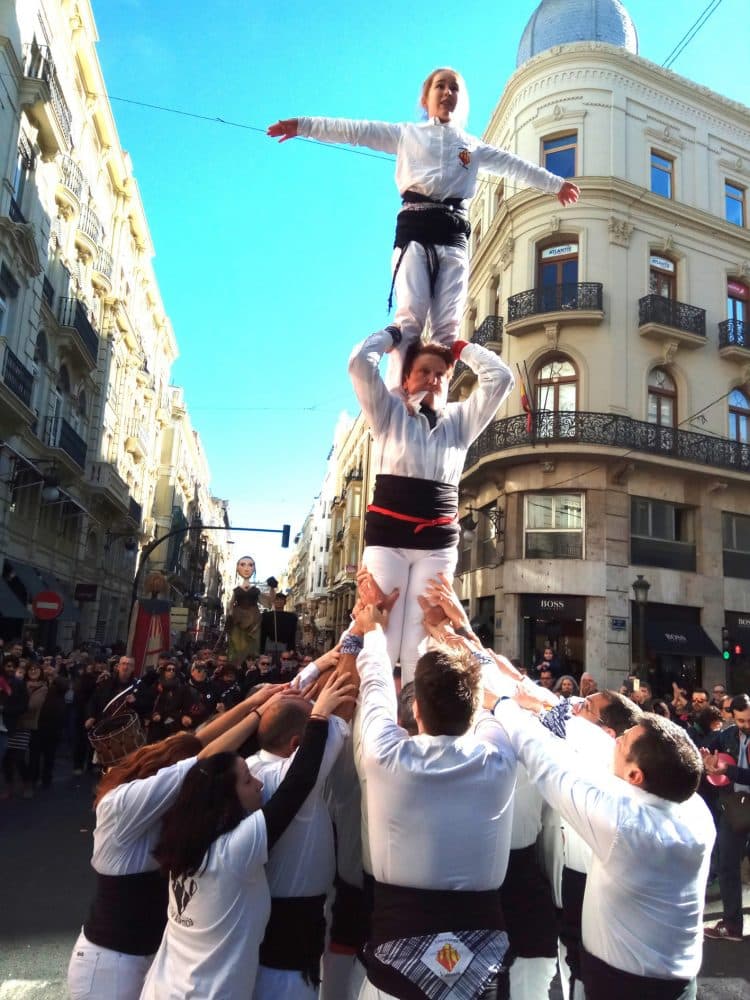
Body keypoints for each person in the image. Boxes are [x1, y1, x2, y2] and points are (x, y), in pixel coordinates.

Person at [268, 68, 579, 387]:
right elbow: (355, 131)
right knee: (411, 318)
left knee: (446, 329)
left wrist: (555, 184)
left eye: (454, 88)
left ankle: (433, 407)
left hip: (454, 235)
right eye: (440, 86)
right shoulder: (406, 134)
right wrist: (303, 126)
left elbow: (515, 165)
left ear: (461, 99)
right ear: (426, 98)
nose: (447, 93)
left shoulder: (472, 147)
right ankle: (398, 402)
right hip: (415, 230)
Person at [489, 663, 715, 999]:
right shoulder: (693, 809)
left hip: (622, 987)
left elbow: (546, 760)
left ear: (636, 775)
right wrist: (538, 703)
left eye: (622, 742)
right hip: (679, 982)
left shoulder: (624, 824)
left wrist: (499, 705)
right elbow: (594, 742)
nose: (614, 742)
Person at [140, 674, 356, 1000]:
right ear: (226, 800)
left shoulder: (190, 842)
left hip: (166, 986)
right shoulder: (234, 851)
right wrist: (320, 714)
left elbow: (202, 755)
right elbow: (296, 784)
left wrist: (299, 690)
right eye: (245, 781)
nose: (257, 783)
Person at [67, 687, 288, 1000]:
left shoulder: (153, 799)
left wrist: (255, 702)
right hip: (111, 962)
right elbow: (200, 760)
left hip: (146, 957)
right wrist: (256, 715)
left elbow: (198, 742)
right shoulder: (122, 805)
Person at [350, 600, 517, 999]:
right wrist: (452, 637)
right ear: (474, 710)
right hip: (483, 965)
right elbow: (491, 708)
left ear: (417, 709)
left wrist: (374, 630)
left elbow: (375, 685)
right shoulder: (501, 758)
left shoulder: (387, 756)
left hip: (396, 960)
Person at [349, 330, 513, 683]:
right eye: (423, 370)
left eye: (441, 374)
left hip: (436, 547)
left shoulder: (461, 421)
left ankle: (414, 722)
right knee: (380, 631)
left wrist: (459, 348)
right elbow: (360, 365)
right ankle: (368, 727)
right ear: (406, 379)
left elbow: (501, 378)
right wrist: (392, 337)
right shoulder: (389, 413)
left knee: (422, 642)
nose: (433, 378)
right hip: (388, 540)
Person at [247, 691, 349, 999]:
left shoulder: (250, 768)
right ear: (296, 746)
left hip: (269, 933)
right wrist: (356, 643)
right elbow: (344, 706)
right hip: (287, 955)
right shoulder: (288, 776)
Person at [702, 692, 750, 942]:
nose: (745, 726)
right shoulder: (728, 735)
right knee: (726, 864)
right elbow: (708, 746)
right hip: (734, 807)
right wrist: (706, 758)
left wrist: (729, 770)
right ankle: (732, 925)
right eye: (741, 721)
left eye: (749, 721)